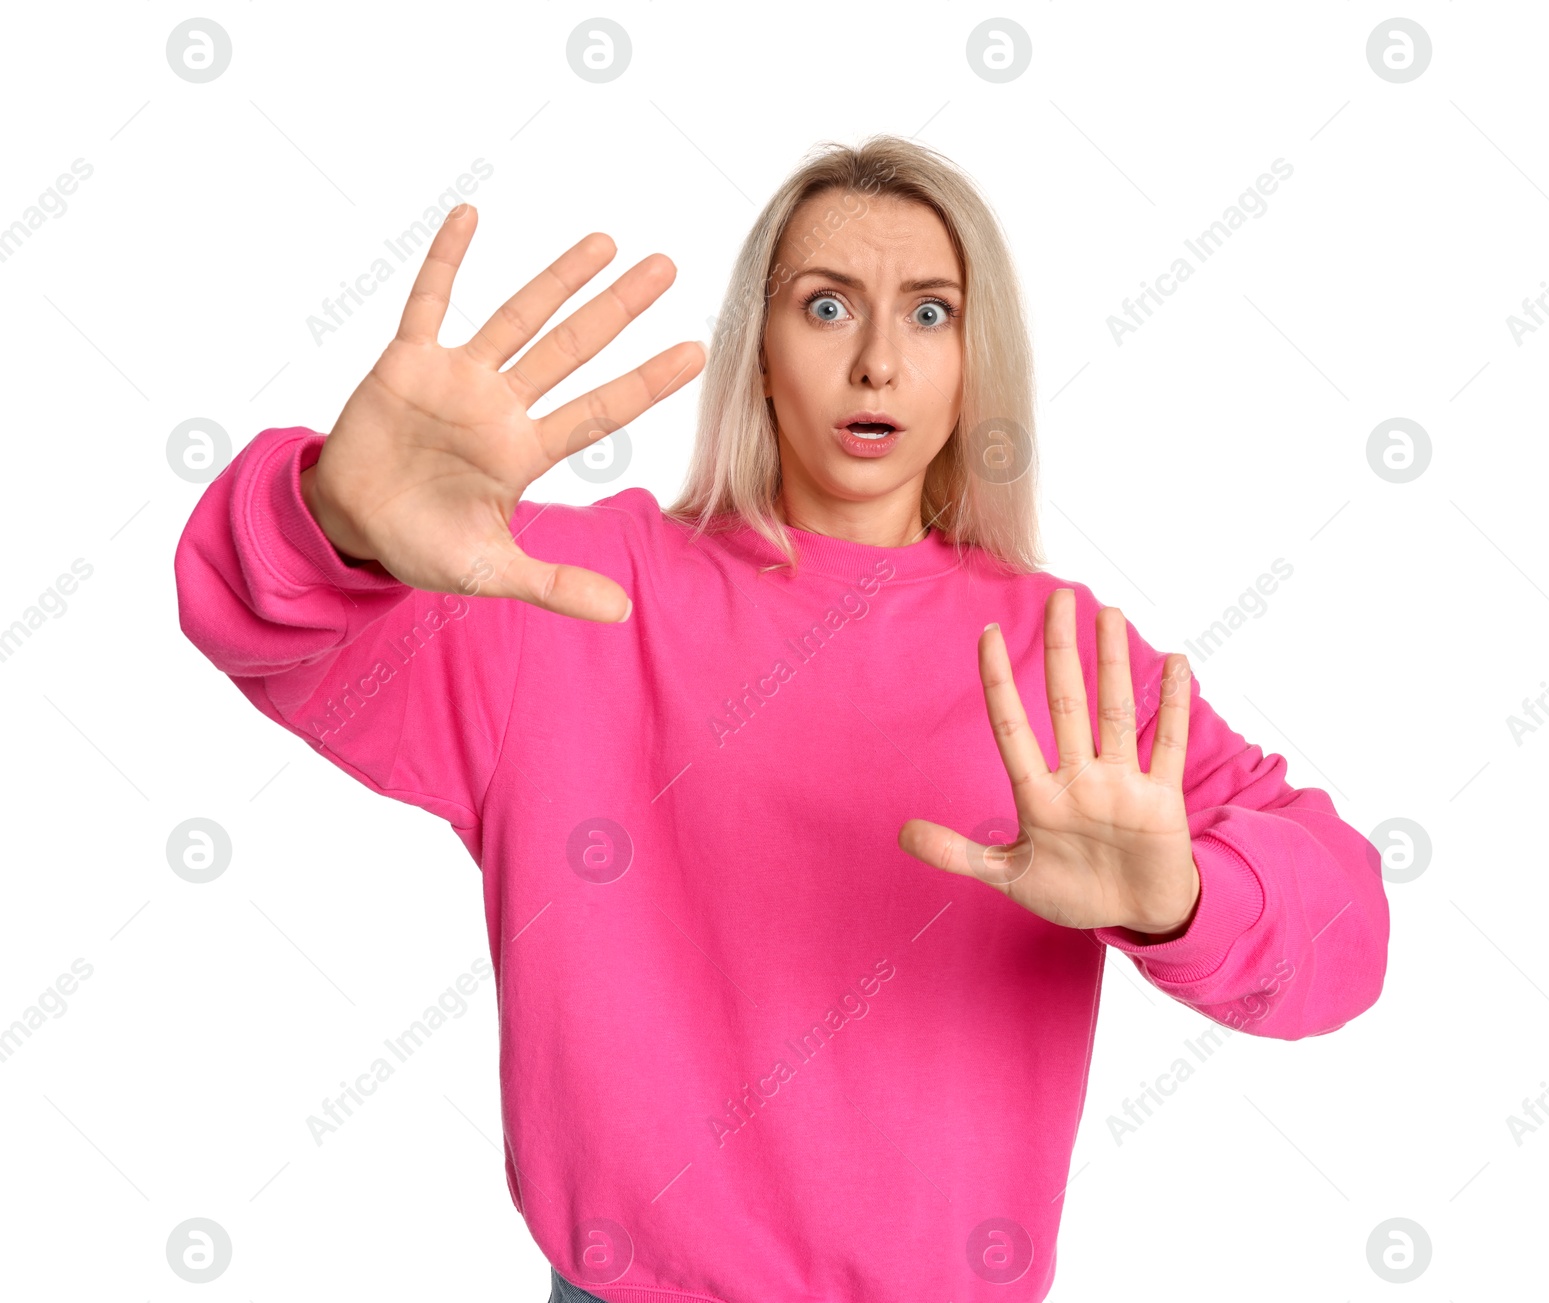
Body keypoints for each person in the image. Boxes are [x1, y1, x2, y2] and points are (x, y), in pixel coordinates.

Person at [174, 135, 1389, 1303]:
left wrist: (1179, 902)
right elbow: (257, 618)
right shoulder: (571, 592)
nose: (876, 362)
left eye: (929, 312)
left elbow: (1343, 935)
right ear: (757, 347)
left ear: (980, 363)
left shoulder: (1063, 659)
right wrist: (335, 514)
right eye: (823, 305)